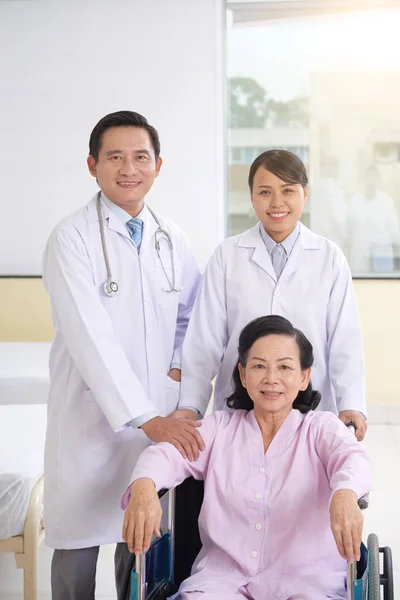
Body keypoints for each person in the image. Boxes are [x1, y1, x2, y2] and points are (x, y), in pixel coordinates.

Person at [42, 110, 203, 600]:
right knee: (77, 551)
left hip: (159, 416)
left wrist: (178, 382)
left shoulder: (171, 237)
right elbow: (91, 338)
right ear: (93, 165)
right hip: (92, 422)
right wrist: (145, 417)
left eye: (140, 157)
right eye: (115, 157)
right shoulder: (70, 238)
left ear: (158, 165)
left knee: (138, 546)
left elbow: (190, 320)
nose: (128, 168)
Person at [122, 315, 372, 600]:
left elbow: (354, 459)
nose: (271, 379)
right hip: (222, 581)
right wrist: (144, 486)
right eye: (259, 366)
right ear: (243, 374)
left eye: (285, 367)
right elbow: (166, 455)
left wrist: (345, 493)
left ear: (304, 377)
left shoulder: (320, 429)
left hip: (306, 582)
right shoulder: (220, 429)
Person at [175, 149, 367, 439]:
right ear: (251, 195)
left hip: (309, 408)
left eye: (288, 190)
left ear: (305, 193)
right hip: (240, 406)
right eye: (265, 192)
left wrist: (351, 402)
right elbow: (205, 340)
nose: (277, 202)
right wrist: (190, 404)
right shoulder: (227, 256)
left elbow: (345, 340)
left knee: (304, 478)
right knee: (237, 478)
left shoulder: (329, 257)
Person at [348, 165, 400, 274]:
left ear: (378, 180)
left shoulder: (386, 201)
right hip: (360, 255)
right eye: (368, 177)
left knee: (382, 286)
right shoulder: (355, 201)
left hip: (382, 253)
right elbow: (349, 230)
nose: (370, 180)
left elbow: (394, 230)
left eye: (373, 177)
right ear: (364, 179)